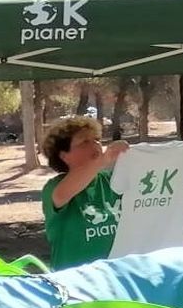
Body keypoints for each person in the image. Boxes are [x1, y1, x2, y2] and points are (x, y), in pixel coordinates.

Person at [40, 114, 127, 267]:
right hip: (74, 283)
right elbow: (61, 195)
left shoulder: (113, 180)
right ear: (64, 156)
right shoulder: (54, 187)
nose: (95, 144)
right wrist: (103, 161)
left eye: (97, 139)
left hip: (114, 280)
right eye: (84, 141)